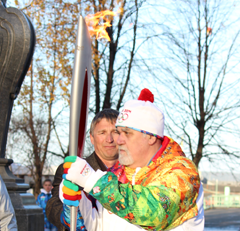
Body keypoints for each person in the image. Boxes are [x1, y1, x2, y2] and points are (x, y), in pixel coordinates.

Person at [61, 88, 204, 231]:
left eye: (127, 133)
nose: (118, 140)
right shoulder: (115, 174)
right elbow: (96, 226)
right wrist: (77, 203)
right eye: (119, 132)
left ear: (151, 137)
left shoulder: (182, 173)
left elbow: (153, 214)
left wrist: (90, 179)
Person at [46, 108, 119, 231]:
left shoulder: (135, 171)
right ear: (91, 137)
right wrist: (68, 216)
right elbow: (53, 206)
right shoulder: (72, 169)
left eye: (115, 132)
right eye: (102, 133)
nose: (109, 139)